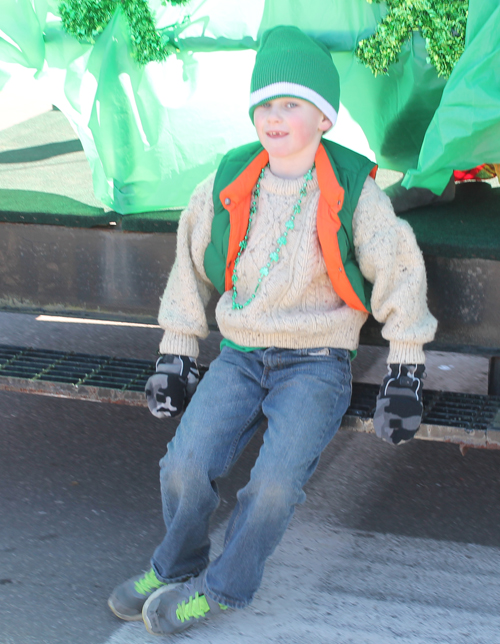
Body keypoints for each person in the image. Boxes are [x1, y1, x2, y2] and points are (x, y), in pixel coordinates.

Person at [108, 25, 437, 636]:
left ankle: (224, 588)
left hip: (315, 362)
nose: (274, 117)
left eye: (292, 104)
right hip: (240, 354)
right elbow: (191, 264)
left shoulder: (353, 191)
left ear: (325, 118)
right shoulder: (229, 182)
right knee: (184, 464)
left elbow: (398, 269)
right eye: (264, 104)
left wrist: (406, 371)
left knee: (275, 485)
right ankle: (175, 563)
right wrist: (176, 354)